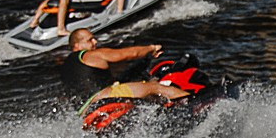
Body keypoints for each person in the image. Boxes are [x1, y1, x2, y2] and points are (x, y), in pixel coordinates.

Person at [60, 29, 189, 108]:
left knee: (135, 89)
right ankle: (194, 102)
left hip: (84, 109)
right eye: (90, 40)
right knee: (154, 87)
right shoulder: (89, 55)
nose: (95, 42)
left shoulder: (67, 66)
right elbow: (127, 54)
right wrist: (151, 49)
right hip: (103, 98)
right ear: (77, 45)